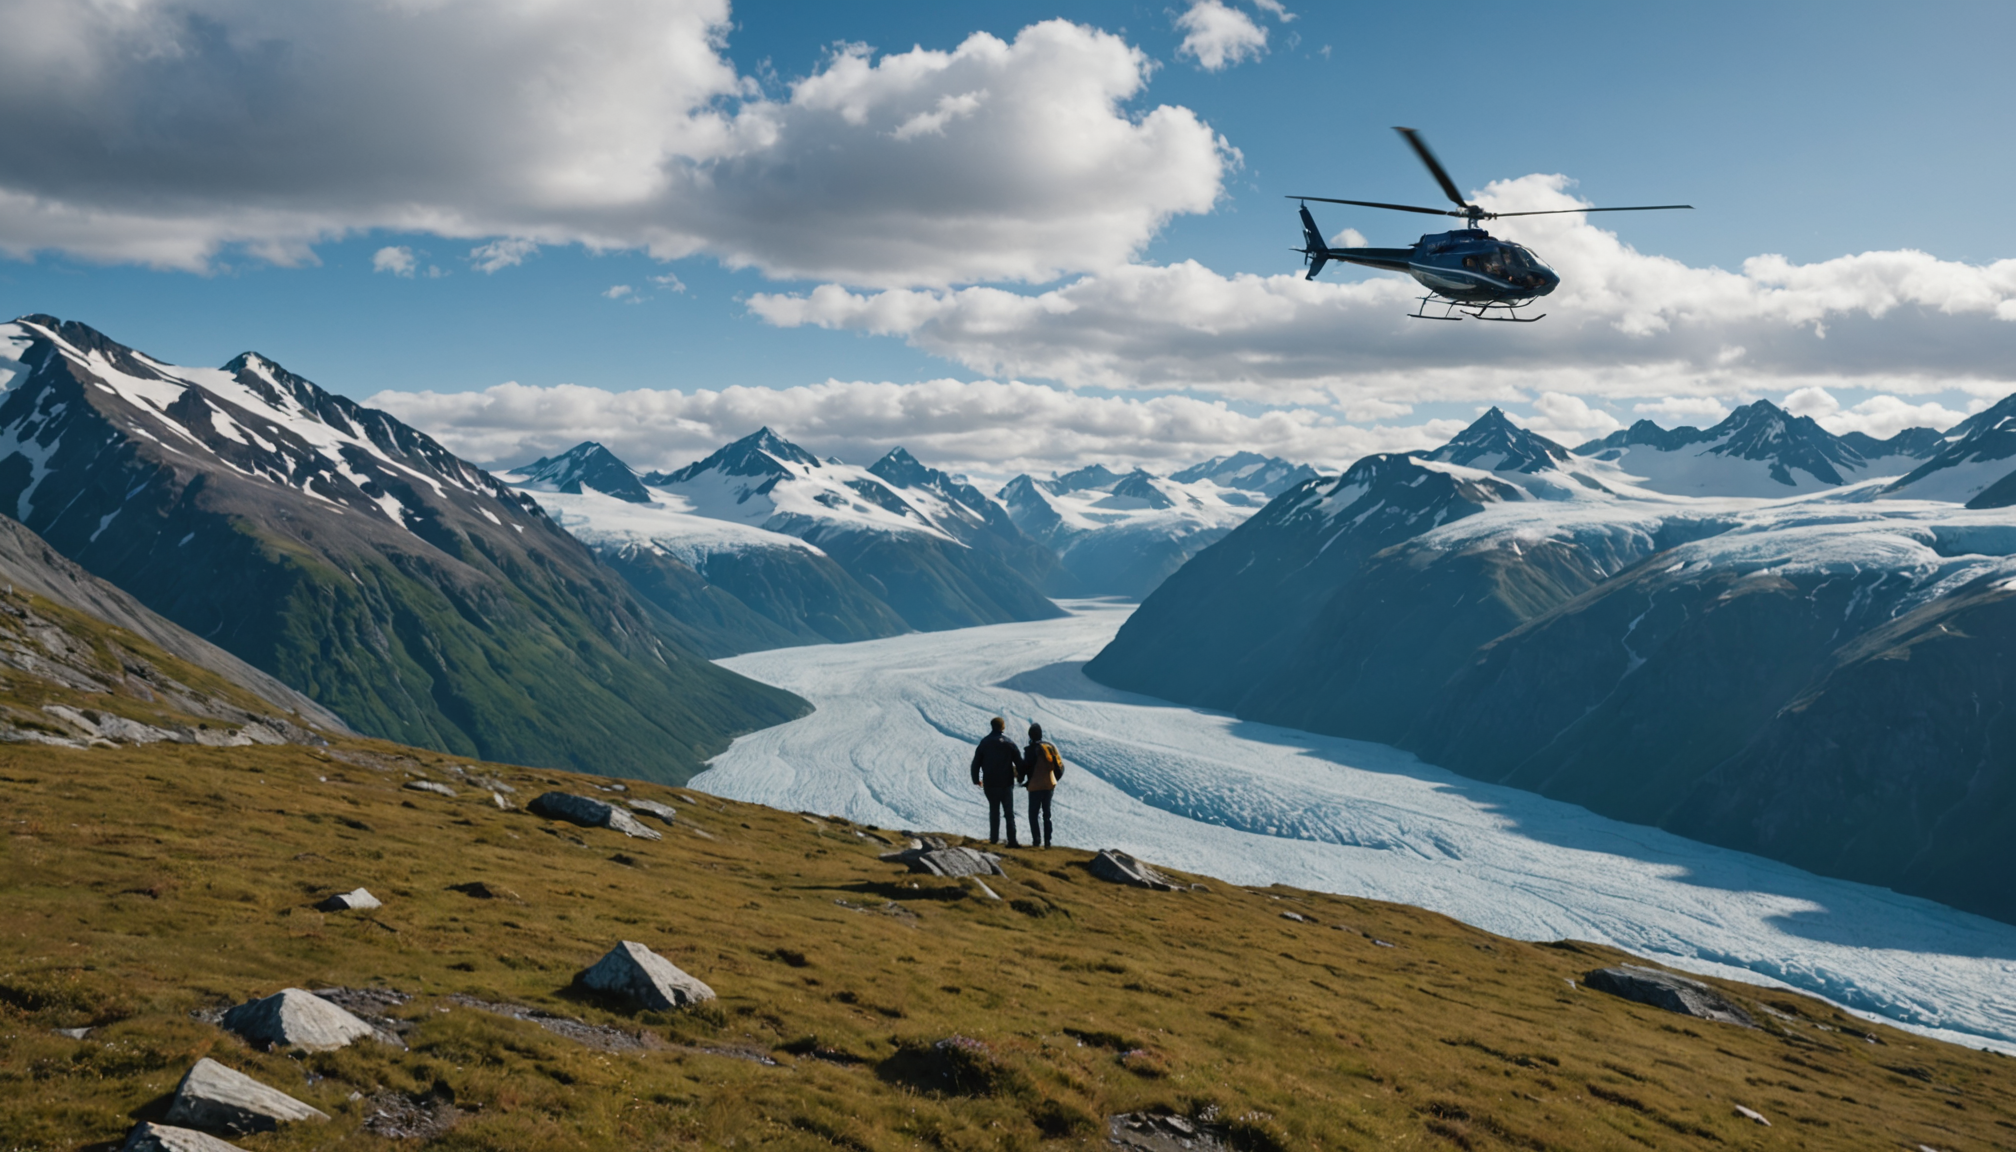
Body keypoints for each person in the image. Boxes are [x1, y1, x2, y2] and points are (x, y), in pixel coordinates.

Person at [970, 716, 1025, 846]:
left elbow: (976, 762)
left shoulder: (984, 742)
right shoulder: (1009, 743)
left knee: (994, 810)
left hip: (990, 783)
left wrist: (976, 779)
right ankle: (1012, 840)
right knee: (1009, 813)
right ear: (1002, 727)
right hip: (1006, 783)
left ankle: (994, 839)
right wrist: (1021, 776)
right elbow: (1019, 762)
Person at [1022, 722, 1065, 848]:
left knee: (1033, 814)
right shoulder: (1050, 747)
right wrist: (1053, 780)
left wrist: (1024, 781)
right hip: (1049, 786)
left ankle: (1036, 841)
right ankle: (1048, 842)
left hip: (1035, 786)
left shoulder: (1030, 750)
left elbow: (1026, 768)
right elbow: (1060, 767)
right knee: (1047, 814)